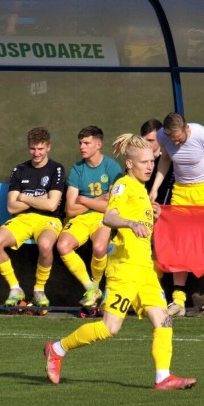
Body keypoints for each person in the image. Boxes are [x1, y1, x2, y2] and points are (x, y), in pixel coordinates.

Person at [44, 133, 197, 391]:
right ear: (130, 163)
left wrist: (153, 217)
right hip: (124, 269)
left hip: (145, 270)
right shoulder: (123, 186)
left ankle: (163, 377)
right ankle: (57, 349)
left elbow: (141, 228)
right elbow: (110, 217)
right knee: (109, 328)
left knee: (164, 321)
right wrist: (130, 222)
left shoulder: (141, 190)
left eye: (152, 161)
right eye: (144, 162)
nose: (150, 166)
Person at [149, 112, 204, 317]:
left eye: (178, 137)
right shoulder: (162, 136)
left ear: (186, 129)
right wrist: (155, 189)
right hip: (181, 191)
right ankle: (178, 300)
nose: (175, 142)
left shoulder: (202, 134)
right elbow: (165, 160)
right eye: (172, 139)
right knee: (179, 242)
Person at [0, 127, 65, 312]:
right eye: (32, 149)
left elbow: (52, 206)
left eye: (40, 149)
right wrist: (41, 199)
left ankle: (39, 290)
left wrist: (24, 197)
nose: (36, 153)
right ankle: (15, 288)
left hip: (48, 219)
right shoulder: (20, 169)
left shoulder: (57, 169)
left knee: (46, 245)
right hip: (22, 219)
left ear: (48, 147)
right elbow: (11, 207)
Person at [56, 126, 123, 316]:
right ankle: (92, 289)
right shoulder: (77, 169)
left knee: (100, 247)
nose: (82, 147)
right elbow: (70, 208)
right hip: (80, 218)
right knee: (63, 246)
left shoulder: (112, 168)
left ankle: (94, 284)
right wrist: (93, 202)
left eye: (86, 143)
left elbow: (112, 206)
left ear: (98, 144)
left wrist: (84, 200)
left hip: (103, 218)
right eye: (80, 143)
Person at [140, 118, 174, 204]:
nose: (145, 144)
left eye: (150, 140)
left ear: (161, 139)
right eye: (142, 140)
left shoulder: (170, 163)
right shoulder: (136, 160)